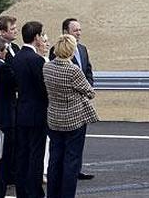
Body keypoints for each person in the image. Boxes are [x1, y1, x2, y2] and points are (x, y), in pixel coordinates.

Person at [43, 34, 98, 198]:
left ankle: (52, 193)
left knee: (55, 158)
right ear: (71, 50)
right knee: (71, 161)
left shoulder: (47, 67)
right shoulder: (73, 70)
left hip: (54, 117)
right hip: (74, 119)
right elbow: (90, 92)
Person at [49, 18, 95, 180]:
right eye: (75, 30)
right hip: (66, 107)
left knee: (77, 144)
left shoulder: (82, 49)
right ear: (65, 32)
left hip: (80, 102)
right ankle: (67, 173)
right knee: (65, 145)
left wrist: (88, 86)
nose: (79, 33)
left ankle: (76, 170)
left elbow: (88, 71)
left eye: (80, 30)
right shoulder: (57, 51)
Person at [12, 21, 48, 198]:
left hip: (21, 111)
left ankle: (22, 191)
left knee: (22, 154)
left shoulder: (17, 57)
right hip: (37, 113)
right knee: (36, 155)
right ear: (37, 37)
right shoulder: (36, 60)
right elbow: (43, 88)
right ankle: (34, 191)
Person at [0, 37, 17, 198]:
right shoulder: (4, 68)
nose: (7, 53)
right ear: (0, 52)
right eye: (5, 50)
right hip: (5, 117)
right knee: (3, 159)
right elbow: (16, 84)